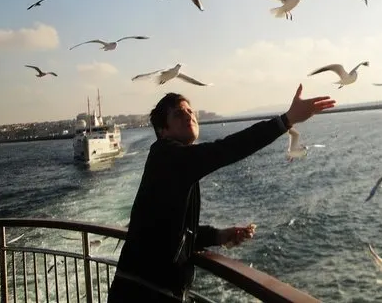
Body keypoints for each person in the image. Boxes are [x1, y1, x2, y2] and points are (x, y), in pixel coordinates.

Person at [107, 84, 336, 302]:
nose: (189, 115)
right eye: (179, 114)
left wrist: (219, 236)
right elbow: (226, 149)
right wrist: (286, 120)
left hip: (150, 292)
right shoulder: (168, 157)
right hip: (143, 295)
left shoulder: (175, 163)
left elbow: (171, 233)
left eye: (190, 110)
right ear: (162, 130)